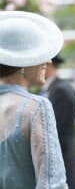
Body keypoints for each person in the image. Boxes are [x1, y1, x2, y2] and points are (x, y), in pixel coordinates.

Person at [0, 10, 67, 188]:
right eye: (39, 52)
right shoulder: (36, 106)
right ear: (22, 60)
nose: (49, 61)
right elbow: (53, 183)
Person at [39, 54, 75, 189]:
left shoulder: (61, 90)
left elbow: (55, 128)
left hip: (62, 157)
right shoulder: (51, 88)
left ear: (49, 65)